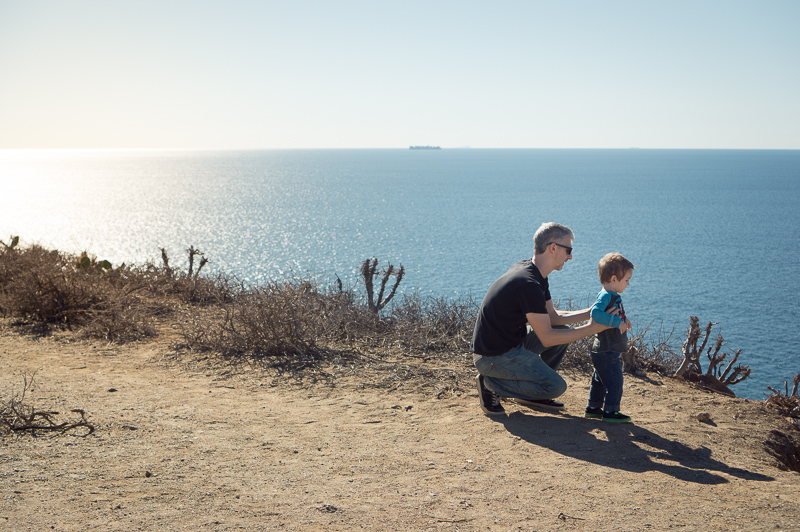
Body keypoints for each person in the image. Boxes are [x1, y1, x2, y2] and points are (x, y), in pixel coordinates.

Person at [472, 222, 612, 416]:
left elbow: (553, 318)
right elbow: (547, 338)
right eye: (568, 250)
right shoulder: (528, 283)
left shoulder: (534, 272)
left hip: (510, 344)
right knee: (555, 386)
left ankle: (532, 392)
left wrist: (590, 313)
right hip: (492, 357)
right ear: (553, 248)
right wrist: (592, 328)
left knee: (562, 332)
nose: (570, 256)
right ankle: (490, 384)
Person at [584, 252, 635, 423]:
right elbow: (596, 313)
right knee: (615, 382)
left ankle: (593, 408)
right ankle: (611, 411)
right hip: (607, 348)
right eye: (626, 280)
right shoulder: (606, 295)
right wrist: (615, 321)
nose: (628, 284)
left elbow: (613, 312)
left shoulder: (612, 295)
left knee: (600, 379)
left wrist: (623, 319)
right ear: (614, 279)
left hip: (604, 348)